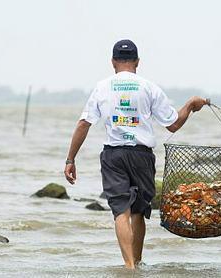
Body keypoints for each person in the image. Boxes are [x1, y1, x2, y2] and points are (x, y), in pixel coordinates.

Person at [64, 39, 208, 269]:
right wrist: (190, 105)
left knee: (121, 209)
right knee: (139, 210)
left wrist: (71, 159)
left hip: (114, 155)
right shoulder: (148, 87)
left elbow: (84, 124)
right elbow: (172, 124)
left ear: (113, 62)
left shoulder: (103, 87)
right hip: (142, 155)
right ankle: (137, 264)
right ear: (137, 62)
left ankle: (129, 266)